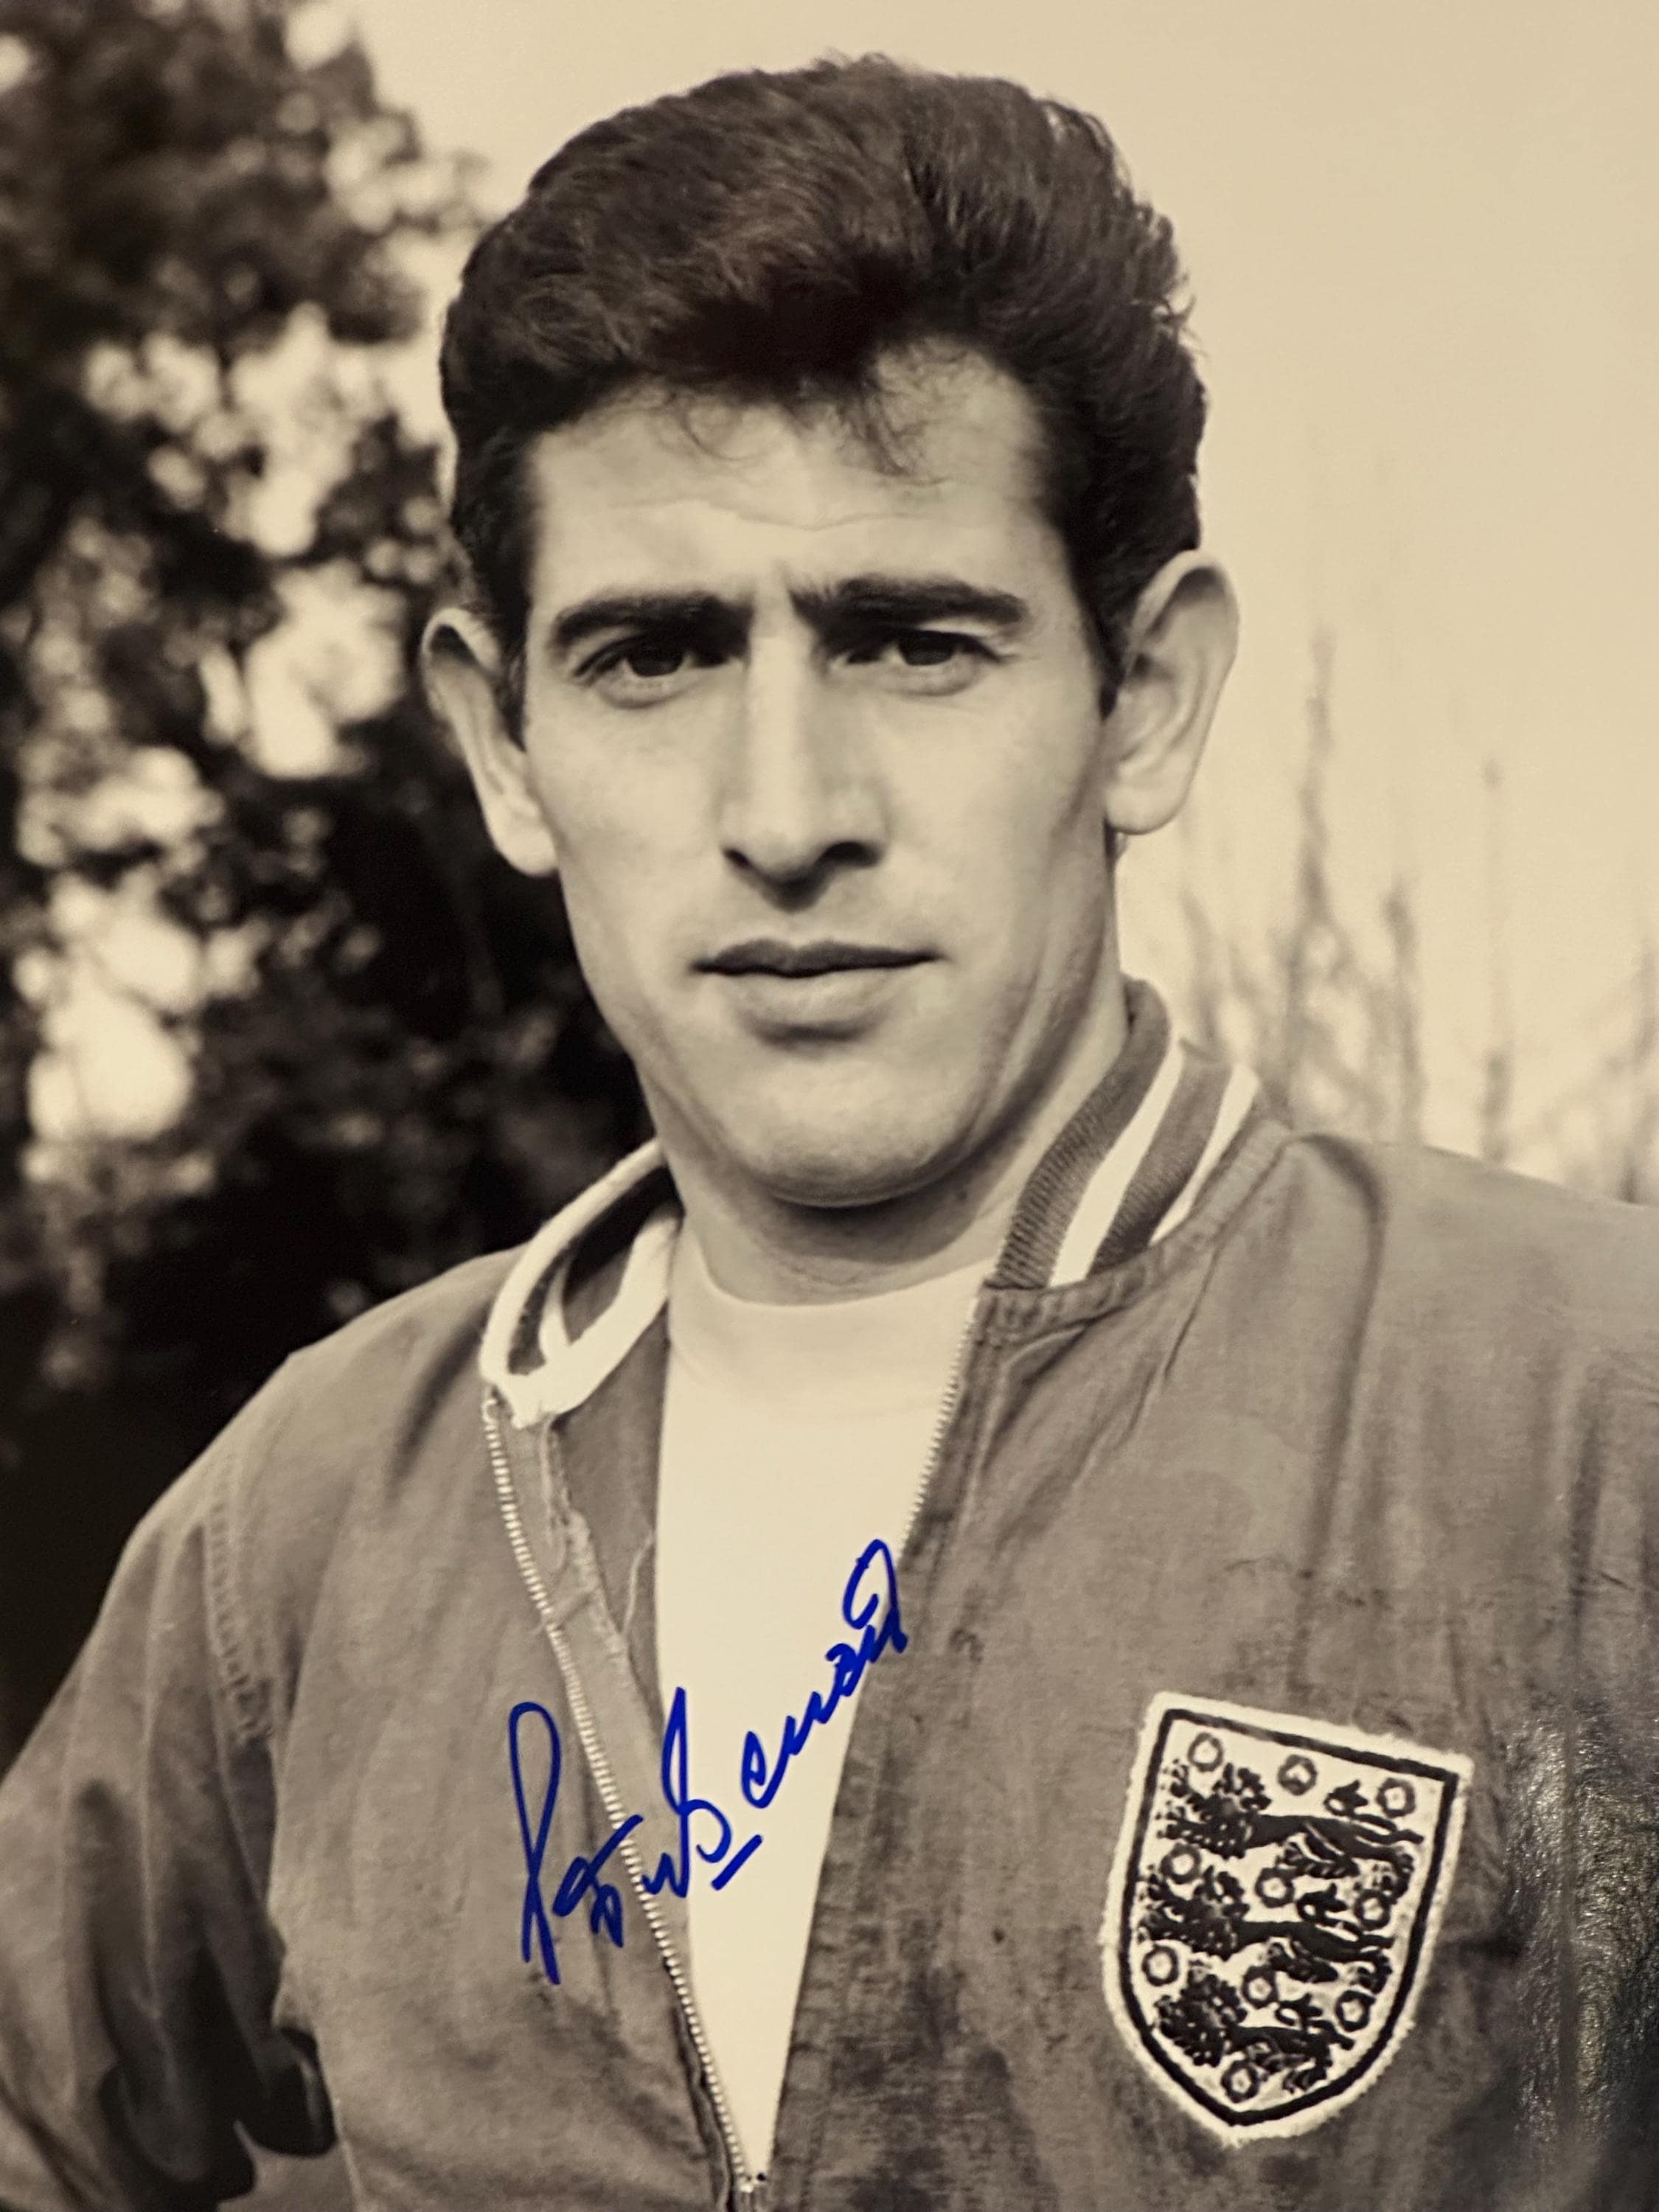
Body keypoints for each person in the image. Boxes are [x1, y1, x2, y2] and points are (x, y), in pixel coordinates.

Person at [1, 52, 1658, 2212]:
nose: (786, 815)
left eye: (911, 641)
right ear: (502, 745)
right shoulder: (318, 1513)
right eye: (653, 657)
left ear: (1144, 701)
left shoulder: (1585, 1418)